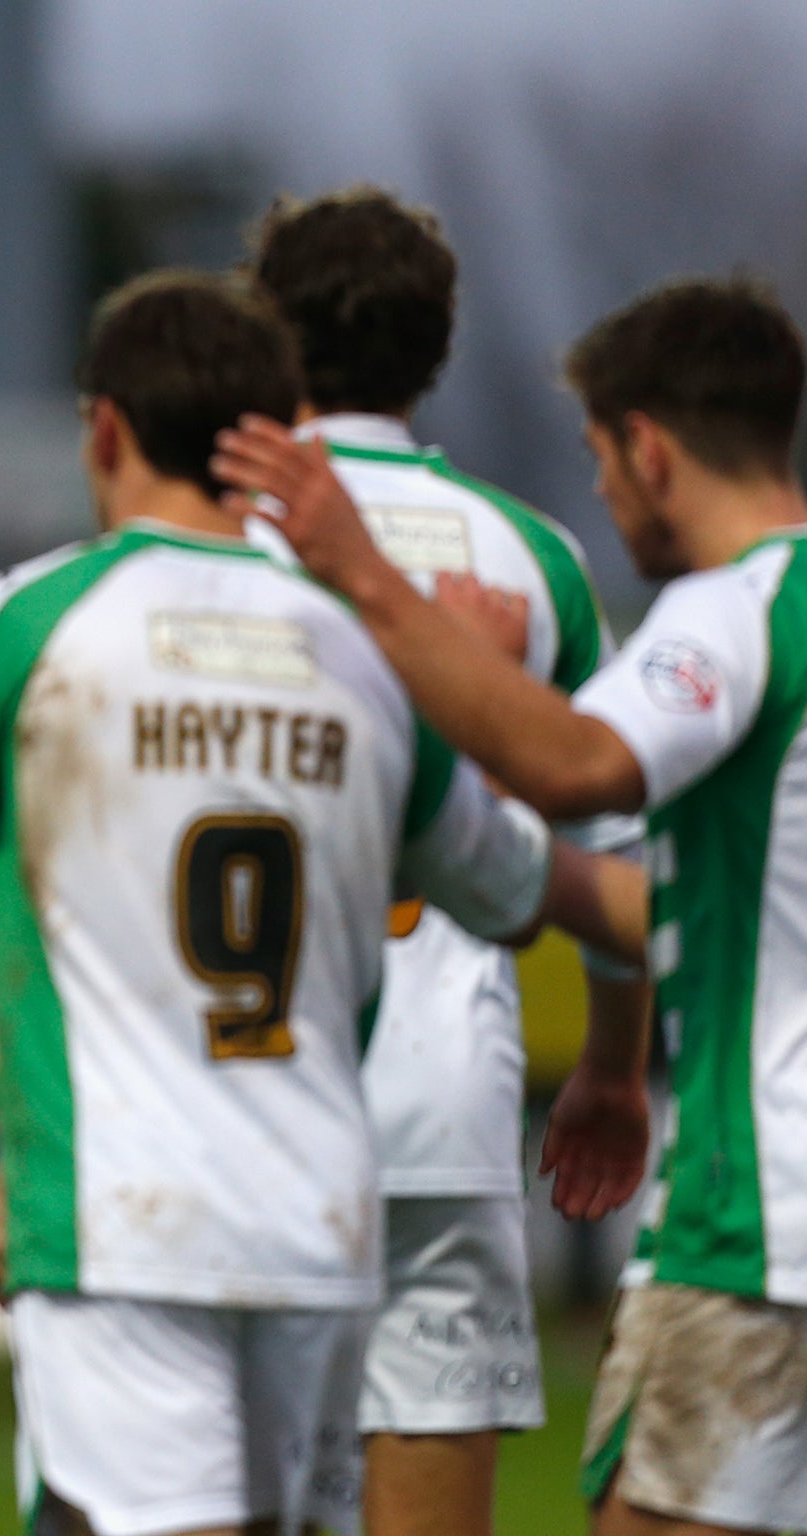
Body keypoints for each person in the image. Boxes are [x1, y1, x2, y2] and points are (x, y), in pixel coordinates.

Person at [0, 270, 646, 1536]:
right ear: (268, 440)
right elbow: (546, 888)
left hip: (119, 1211)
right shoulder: (360, 653)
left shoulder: (29, 622)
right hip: (316, 1211)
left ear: (106, 429)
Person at [213, 276, 807, 1536]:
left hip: (761, 1215)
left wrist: (374, 586)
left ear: (645, 446)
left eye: (598, 457)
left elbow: (578, 767)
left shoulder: (732, 615)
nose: (596, 490)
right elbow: (636, 893)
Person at [247, 187, 652, 1536]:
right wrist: (607, 1068)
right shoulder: (534, 559)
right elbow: (608, 850)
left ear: (268, 332)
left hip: (234, 1113)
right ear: (439, 343)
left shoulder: (205, 541)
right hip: (446, 1114)